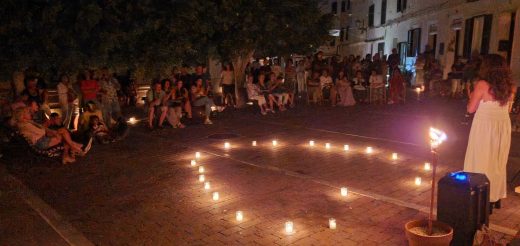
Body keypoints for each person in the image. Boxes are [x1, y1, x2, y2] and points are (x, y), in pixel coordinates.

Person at [464, 54, 514, 212]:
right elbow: (508, 108)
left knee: (481, 159)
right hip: (502, 126)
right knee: (497, 161)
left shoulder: (482, 84)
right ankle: (494, 195)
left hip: (485, 127)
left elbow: (470, 109)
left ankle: (479, 193)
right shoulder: (510, 86)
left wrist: (471, 95)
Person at [15, 107, 90, 164]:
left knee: (63, 133)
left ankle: (72, 150)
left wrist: (51, 131)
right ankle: (76, 148)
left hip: (42, 140)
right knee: (63, 134)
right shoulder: (26, 125)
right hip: (41, 143)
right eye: (28, 113)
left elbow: (42, 128)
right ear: (23, 116)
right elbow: (41, 132)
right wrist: (48, 130)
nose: (30, 114)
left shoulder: (27, 123)